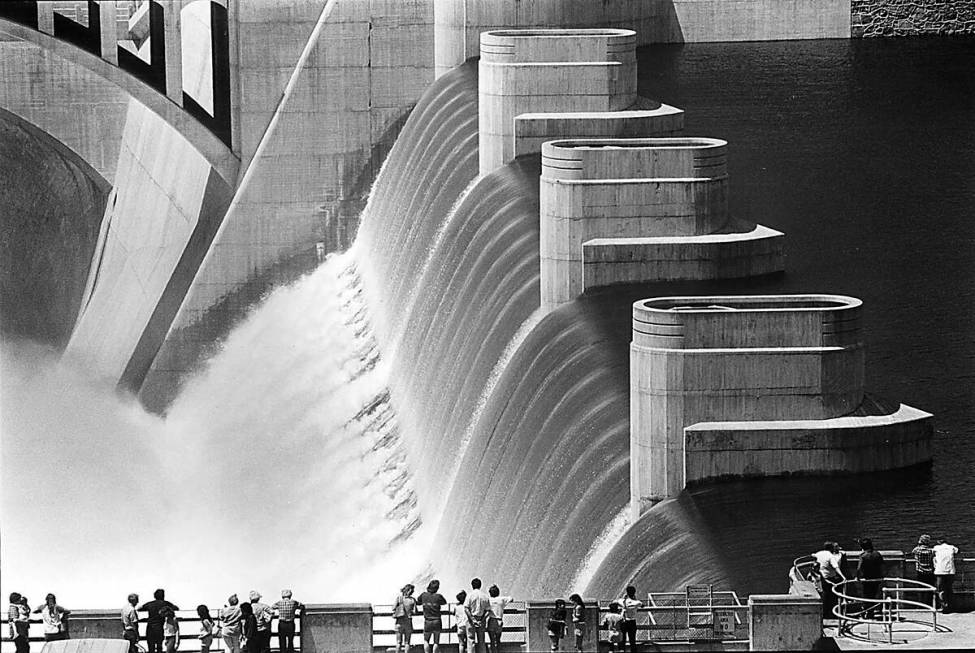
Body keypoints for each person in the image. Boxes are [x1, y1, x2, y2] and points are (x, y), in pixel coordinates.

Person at [814, 541, 845, 620]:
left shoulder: (818, 553)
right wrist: (843, 577)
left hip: (820, 578)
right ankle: (832, 614)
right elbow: (836, 567)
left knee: (823, 596)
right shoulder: (830, 556)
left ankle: (824, 614)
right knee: (832, 598)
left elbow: (812, 556)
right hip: (830, 579)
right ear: (831, 548)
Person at [855, 538, 884, 618]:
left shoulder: (863, 556)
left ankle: (867, 612)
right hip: (877, 578)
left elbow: (859, 568)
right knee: (874, 595)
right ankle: (872, 611)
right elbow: (882, 566)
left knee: (867, 595)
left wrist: (857, 577)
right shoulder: (877, 554)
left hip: (867, 579)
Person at [417, 580, 447, 653]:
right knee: (436, 641)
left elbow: (418, 601)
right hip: (437, 621)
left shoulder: (423, 595)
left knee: (426, 640)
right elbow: (444, 602)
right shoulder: (438, 596)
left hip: (427, 621)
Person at [464, 578, 491, 653]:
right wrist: (482, 620)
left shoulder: (469, 595)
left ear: (472, 585)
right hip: (481, 619)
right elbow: (488, 611)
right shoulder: (485, 596)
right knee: (481, 640)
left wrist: (473, 619)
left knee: (471, 640)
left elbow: (466, 609)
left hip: (470, 620)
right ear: (480, 585)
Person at [933, 537, 959, 612]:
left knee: (941, 590)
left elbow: (932, 553)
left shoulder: (936, 548)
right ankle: (950, 606)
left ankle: (944, 606)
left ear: (938, 542)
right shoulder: (951, 547)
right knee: (949, 589)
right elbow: (958, 551)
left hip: (940, 571)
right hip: (950, 571)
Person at [911, 534, 936, 605]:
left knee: (921, 588)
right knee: (930, 589)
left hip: (920, 572)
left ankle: (921, 604)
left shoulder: (917, 550)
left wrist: (919, 544)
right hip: (930, 572)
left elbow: (913, 552)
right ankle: (930, 603)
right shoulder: (931, 551)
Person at [485, 585, 512, 653]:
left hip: (491, 620)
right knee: (498, 640)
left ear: (490, 593)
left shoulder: (488, 600)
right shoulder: (502, 600)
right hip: (499, 621)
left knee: (492, 641)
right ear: (498, 592)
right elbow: (511, 598)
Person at [392, 583, 417, 653]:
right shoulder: (413, 600)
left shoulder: (399, 598)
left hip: (399, 622)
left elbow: (393, 608)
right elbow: (415, 611)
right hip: (408, 622)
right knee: (407, 643)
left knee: (398, 642)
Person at [618, 585, 641, 653]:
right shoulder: (637, 602)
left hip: (624, 622)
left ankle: (622, 651)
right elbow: (641, 604)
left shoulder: (622, 602)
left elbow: (617, 601)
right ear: (634, 593)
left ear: (627, 593)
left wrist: (624, 598)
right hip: (632, 622)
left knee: (623, 640)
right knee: (632, 640)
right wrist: (634, 598)